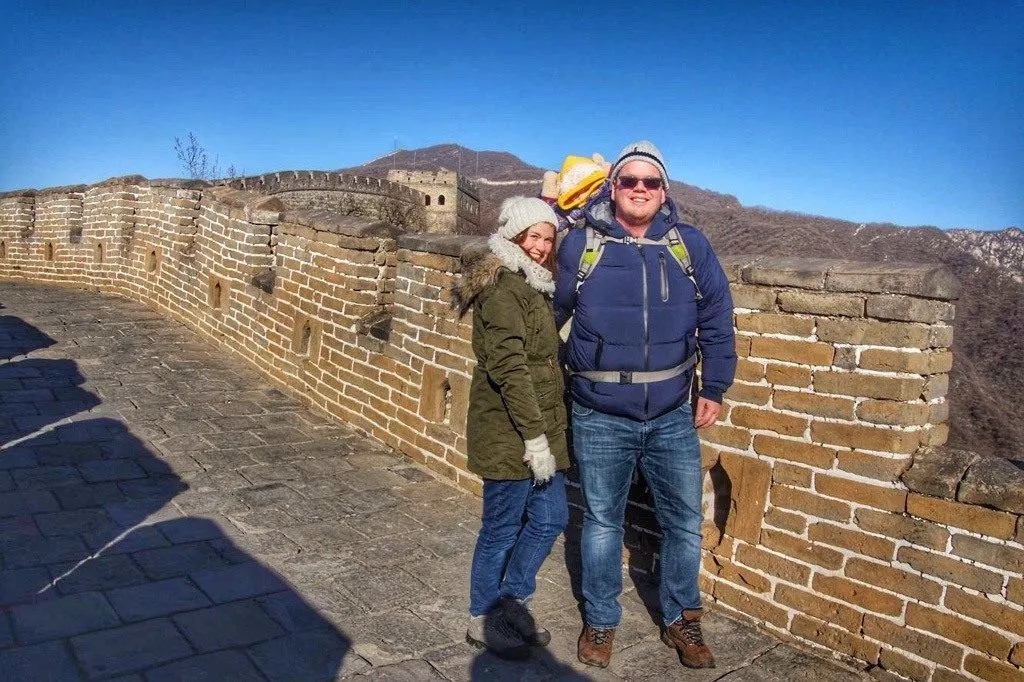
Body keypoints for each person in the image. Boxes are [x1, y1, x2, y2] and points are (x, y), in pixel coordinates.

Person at [554, 141, 736, 669]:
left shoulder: (688, 245)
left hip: (673, 412)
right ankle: (601, 620)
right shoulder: (580, 244)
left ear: (664, 192)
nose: (639, 189)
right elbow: (551, 308)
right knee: (603, 521)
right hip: (599, 409)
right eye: (629, 181)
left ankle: (682, 617)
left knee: (682, 521)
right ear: (613, 187)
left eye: (650, 183)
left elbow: (717, 317)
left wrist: (715, 387)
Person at [456, 196, 570, 658]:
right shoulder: (503, 288)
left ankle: (512, 605)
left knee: (550, 518)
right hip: (509, 433)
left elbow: (538, 351)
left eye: (548, 237)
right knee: (501, 528)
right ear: (513, 237)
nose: (542, 246)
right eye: (533, 236)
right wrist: (535, 440)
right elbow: (510, 369)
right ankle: (482, 618)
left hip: (540, 427)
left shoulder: (533, 285)